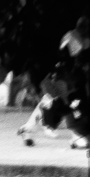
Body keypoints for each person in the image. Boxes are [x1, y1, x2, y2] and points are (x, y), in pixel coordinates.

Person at [18, 17, 90, 149]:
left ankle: (28, 128)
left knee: (50, 103)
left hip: (62, 77)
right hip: (65, 79)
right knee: (64, 104)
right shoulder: (74, 38)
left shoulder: (73, 36)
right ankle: (76, 136)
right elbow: (77, 59)